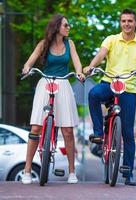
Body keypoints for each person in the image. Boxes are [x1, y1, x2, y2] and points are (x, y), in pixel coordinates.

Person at [84, 9, 136, 186]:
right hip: (109, 82)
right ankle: (99, 132)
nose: (127, 24)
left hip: (127, 89)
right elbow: (101, 55)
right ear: (120, 23)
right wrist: (91, 67)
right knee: (93, 94)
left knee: (128, 134)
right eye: (124, 21)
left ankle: (128, 173)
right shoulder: (111, 39)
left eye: (130, 21)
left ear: (135, 23)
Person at [21, 14, 84, 184]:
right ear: (57, 27)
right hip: (45, 83)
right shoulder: (43, 44)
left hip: (63, 84)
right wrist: (27, 68)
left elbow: (77, 62)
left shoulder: (69, 44)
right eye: (66, 25)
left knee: (68, 131)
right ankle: (27, 170)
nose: (68, 27)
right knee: (35, 128)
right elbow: (30, 61)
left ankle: (72, 172)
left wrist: (79, 72)